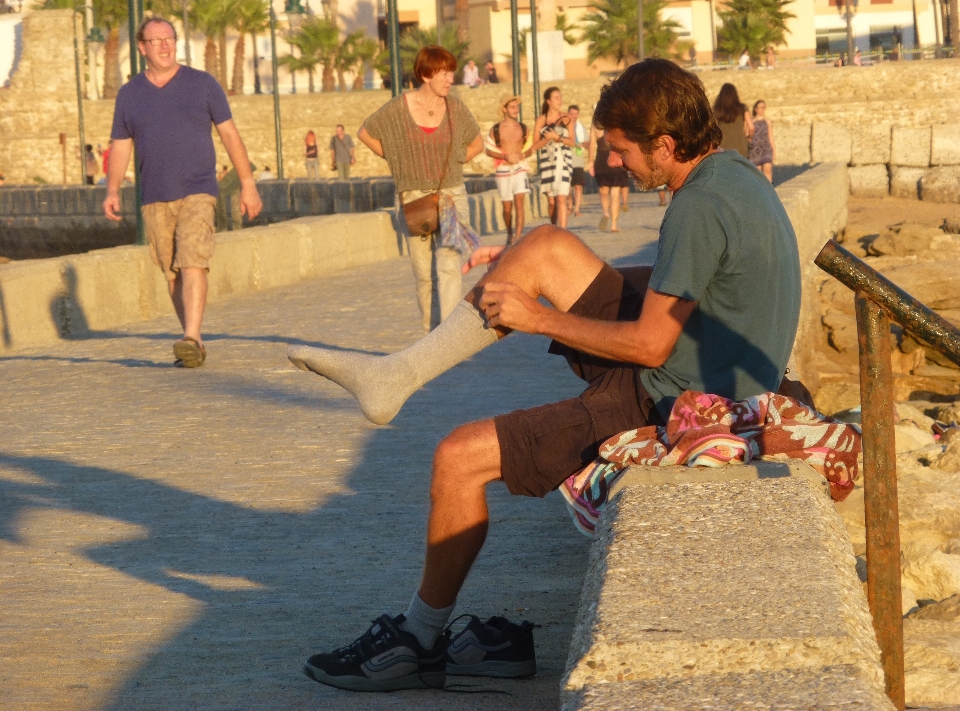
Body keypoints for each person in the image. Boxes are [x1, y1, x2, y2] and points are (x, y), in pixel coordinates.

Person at [288, 58, 801, 693]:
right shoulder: (735, 177)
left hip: (672, 399)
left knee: (455, 458)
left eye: (621, 151)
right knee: (544, 245)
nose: (614, 164)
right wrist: (575, 281)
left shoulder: (695, 209)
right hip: (710, 365)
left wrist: (540, 318)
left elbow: (648, 343)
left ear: (665, 145)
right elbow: (698, 293)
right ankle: (398, 375)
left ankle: (419, 640)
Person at [103, 16, 262, 368]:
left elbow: (230, 135)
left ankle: (190, 336)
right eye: (155, 40)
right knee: (172, 273)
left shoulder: (202, 84)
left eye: (169, 38)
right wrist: (112, 189)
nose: (164, 45)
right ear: (142, 48)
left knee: (193, 260)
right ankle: (194, 343)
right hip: (155, 195)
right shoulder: (130, 94)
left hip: (198, 189)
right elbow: (120, 145)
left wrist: (247, 184)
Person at [358, 45, 484, 334]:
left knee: (449, 265)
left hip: (451, 196)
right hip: (413, 198)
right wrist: (396, 160)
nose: (450, 78)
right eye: (444, 72)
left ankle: (448, 339)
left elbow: (476, 144)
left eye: (452, 72)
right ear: (426, 74)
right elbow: (365, 133)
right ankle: (431, 335)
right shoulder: (399, 108)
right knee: (423, 276)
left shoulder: (456, 108)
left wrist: (452, 161)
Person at [485, 94, 533, 245]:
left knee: (520, 203)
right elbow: (488, 150)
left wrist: (522, 154)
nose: (516, 110)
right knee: (507, 207)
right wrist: (505, 157)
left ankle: (517, 237)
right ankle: (510, 232)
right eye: (512, 107)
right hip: (503, 169)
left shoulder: (523, 128)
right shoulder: (496, 129)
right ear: (504, 109)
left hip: (520, 169)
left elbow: (530, 149)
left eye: (517, 107)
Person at [532, 86, 574, 229]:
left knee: (561, 198)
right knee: (552, 202)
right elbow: (535, 146)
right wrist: (547, 139)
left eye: (560, 97)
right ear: (548, 101)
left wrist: (558, 138)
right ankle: (553, 227)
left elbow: (572, 142)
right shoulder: (541, 120)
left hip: (563, 161)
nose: (559, 100)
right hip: (548, 163)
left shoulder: (567, 119)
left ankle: (562, 232)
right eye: (556, 97)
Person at [587, 124, 629, 232]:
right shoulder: (616, 123)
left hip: (601, 160)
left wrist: (590, 162)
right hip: (614, 158)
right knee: (615, 194)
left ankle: (606, 212)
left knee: (603, 190)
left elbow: (592, 145)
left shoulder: (595, 126)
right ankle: (614, 225)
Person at [712, 82, 753, 159]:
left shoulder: (716, 111)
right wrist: (749, 137)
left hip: (723, 148)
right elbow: (751, 127)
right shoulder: (742, 108)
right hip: (740, 147)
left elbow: (713, 130)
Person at [567, 104, 588, 217]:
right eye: (572, 113)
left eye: (576, 113)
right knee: (567, 186)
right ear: (568, 114)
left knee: (578, 185)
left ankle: (577, 209)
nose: (574, 116)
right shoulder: (564, 128)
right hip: (566, 159)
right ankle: (570, 203)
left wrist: (581, 144)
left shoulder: (581, 128)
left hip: (578, 160)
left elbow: (588, 143)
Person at [748, 99, 776, 183]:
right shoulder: (751, 122)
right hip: (755, 149)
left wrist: (774, 150)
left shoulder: (767, 121)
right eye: (760, 107)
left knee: (768, 170)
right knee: (758, 173)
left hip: (766, 148)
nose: (762, 109)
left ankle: (770, 191)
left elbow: (770, 136)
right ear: (755, 109)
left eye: (763, 107)